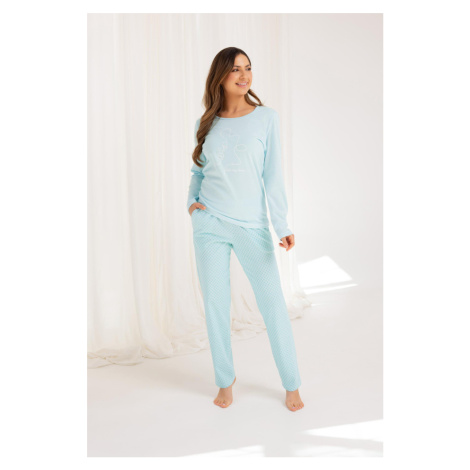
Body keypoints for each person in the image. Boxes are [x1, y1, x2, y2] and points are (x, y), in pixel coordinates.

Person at [187, 47, 304, 412]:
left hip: (251, 226)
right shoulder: (206, 122)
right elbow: (198, 171)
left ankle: (292, 384)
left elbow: (273, 175)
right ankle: (225, 380)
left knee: (272, 305)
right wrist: (192, 204)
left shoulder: (266, 118)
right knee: (215, 305)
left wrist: (281, 224)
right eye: (235, 69)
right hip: (209, 223)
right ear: (220, 76)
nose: (244, 75)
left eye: (248, 68)